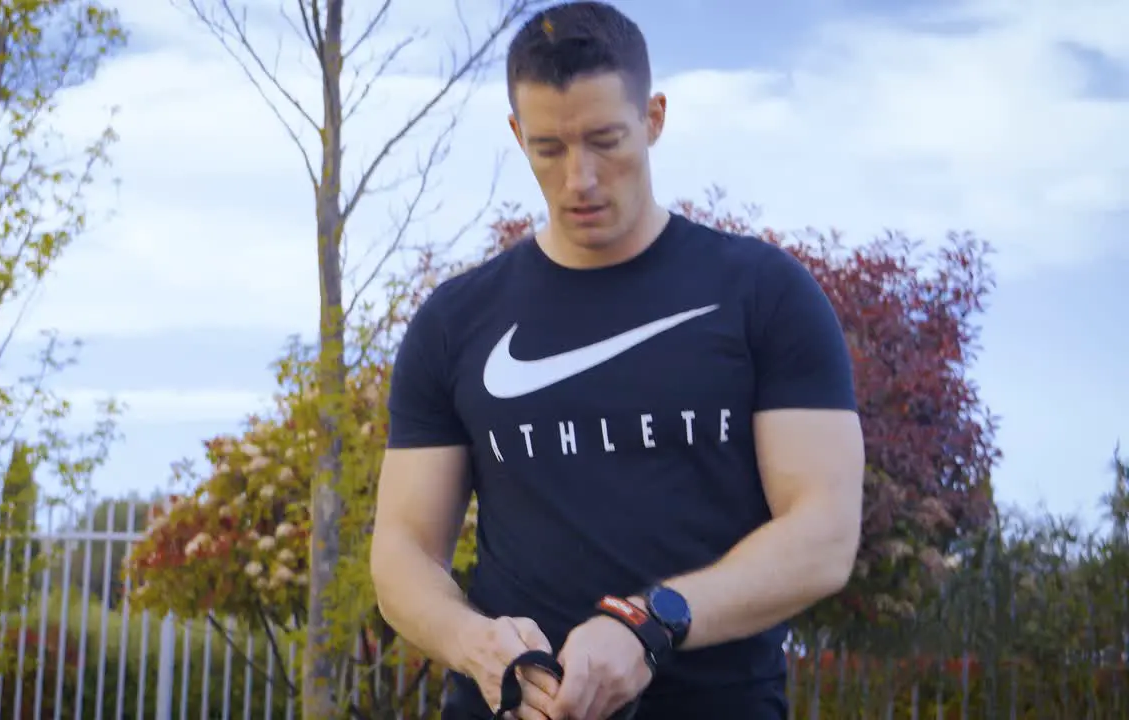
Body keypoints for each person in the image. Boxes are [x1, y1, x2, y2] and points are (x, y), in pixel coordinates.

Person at [368, 2, 865, 718]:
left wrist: (651, 621)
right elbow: (402, 554)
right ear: (516, 135)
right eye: (549, 148)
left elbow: (824, 534)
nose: (580, 179)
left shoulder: (763, 295)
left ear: (654, 118)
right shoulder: (456, 321)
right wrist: (472, 641)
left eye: (606, 140)